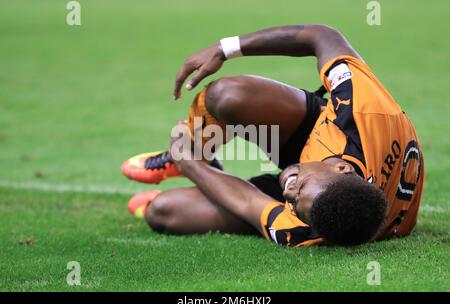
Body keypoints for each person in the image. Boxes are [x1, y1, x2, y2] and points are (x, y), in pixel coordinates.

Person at [121, 24, 424, 247]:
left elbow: (248, 202)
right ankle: (201, 149)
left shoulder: (310, 227)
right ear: (341, 168)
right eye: (299, 188)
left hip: (331, 181)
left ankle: (196, 163)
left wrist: (189, 166)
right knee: (227, 95)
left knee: (163, 212)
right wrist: (225, 48)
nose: (287, 191)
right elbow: (323, 37)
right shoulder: (362, 109)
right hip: (325, 134)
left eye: (292, 201)